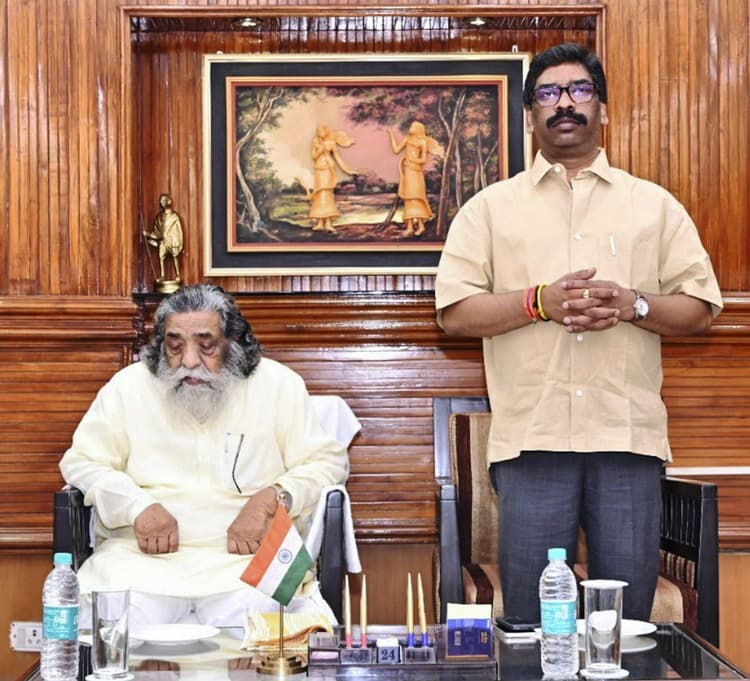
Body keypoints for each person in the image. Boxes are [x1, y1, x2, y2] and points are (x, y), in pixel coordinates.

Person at [434, 43, 723, 622]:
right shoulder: (490, 209)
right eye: (548, 93)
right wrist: (537, 302)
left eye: (579, 90)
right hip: (532, 443)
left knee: (627, 622)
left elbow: (700, 308)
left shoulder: (653, 206)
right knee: (533, 621)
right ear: (530, 116)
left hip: (627, 441)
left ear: (603, 109)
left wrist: (633, 304)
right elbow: (454, 313)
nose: (564, 103)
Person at [59, 284, 349, 627]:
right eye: (175, 345)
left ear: (233, 341)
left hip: (253, 553)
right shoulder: (128, 386)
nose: (189, 361)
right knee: (114, 622)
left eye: (206, 345)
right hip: (141, 558)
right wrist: (136, 506)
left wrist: (272, 499)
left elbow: (327, 462)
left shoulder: (279, 384)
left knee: (270, 624)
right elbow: (82, 461)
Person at [387, 121, 444, 237]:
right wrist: (391, 136)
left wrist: (411, 160)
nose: (411, 127)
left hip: (416, 171)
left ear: (418, 129)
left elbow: (422, 160)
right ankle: (410, 227)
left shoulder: (422, 142)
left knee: (417, 197)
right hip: (408, 171)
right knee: (408, 198)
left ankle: (421, 226)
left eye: (413, 126)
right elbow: (396, 150)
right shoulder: (407, 139)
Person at [308, 124, 357, 233]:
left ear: (326, 131)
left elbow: (338, 158)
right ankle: (320, 222)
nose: (319, 133)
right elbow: (314, 156)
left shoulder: (331, 143)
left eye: (321, 131)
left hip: (328, 170)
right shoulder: (316, 142)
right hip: (319, 169)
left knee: (327, 194)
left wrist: (347, 170)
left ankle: (328, 223)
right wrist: (321, 148)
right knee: (319, 194)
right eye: (317, 131)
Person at [144, 193, 184, 283]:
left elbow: (179, 231)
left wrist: (179, 242)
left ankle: (178, 274)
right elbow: (158, 233)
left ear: (169, 201)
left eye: (163, 200)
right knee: (161, 257)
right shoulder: (159, 218)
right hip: (163, 242)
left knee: (175, 256)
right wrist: (148, 235)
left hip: (172, 241)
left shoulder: (174, 217)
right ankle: (162, 275)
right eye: (161, 200)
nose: (161, 202)